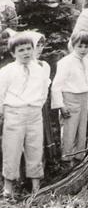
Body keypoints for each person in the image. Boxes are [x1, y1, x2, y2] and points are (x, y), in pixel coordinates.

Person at [0, 33, 50, 197]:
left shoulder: (39, 70)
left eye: (29, 48)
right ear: (13, 53)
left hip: (34, 113)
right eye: (21, 50)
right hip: (14, 113)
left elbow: (43, 92)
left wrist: (35, 105)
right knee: (11, 149)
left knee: (35, 148)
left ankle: (36, 186)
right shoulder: (7, 71)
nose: (26, 52)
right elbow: (1, 93)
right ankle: (8, 187)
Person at [50, 31, 88, 166]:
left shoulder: (87, 62)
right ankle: (66, 159)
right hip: (70, 99)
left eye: (86, 47)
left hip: (84, 98)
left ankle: (79, 158)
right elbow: (56, 86)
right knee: (69, 130)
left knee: (82, 131)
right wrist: (61, 106)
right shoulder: (65, 62)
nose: (83, 50)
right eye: (80, 46)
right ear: (73, 45)